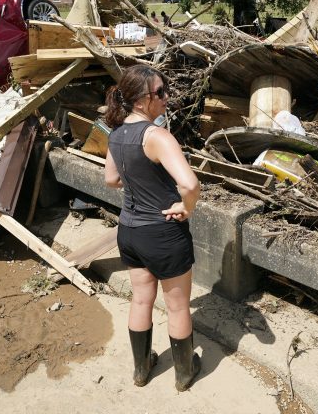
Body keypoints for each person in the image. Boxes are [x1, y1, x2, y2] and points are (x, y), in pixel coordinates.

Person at [104, 64, 202, 391]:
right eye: (160, 93)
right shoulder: (158, 136)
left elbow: (111, 179)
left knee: (141, 300)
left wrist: (138, 180)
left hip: (129, 231)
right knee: (176, 306)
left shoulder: (116, 135)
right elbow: (189, 183)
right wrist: (185, 208)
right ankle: (184, 373)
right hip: (162, 232)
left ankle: (142, 370)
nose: (166, 98)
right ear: (142, 100)